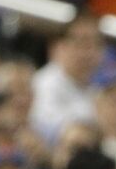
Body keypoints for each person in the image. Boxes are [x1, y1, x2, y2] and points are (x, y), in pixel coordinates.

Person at [29, 12, 106, 145]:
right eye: (81, 42)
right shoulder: (44, 84)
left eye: (95, 43)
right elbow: (67, 134)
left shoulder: (105, 83)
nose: (89, 52)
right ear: (58, 47)